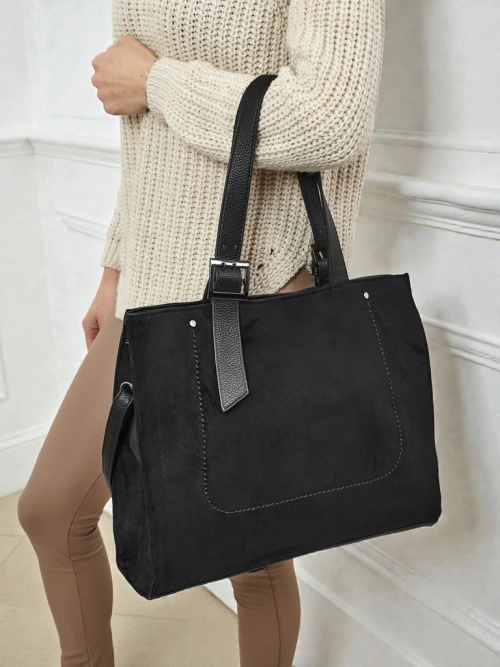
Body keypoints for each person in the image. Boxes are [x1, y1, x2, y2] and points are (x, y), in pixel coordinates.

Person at [17, 1, 385, 665]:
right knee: (50, 511)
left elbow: (332, 118)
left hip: (260, 291)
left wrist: (157, 81)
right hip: (150, 284)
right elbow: (145, 140)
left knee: (252, 556)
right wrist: (115, 270)